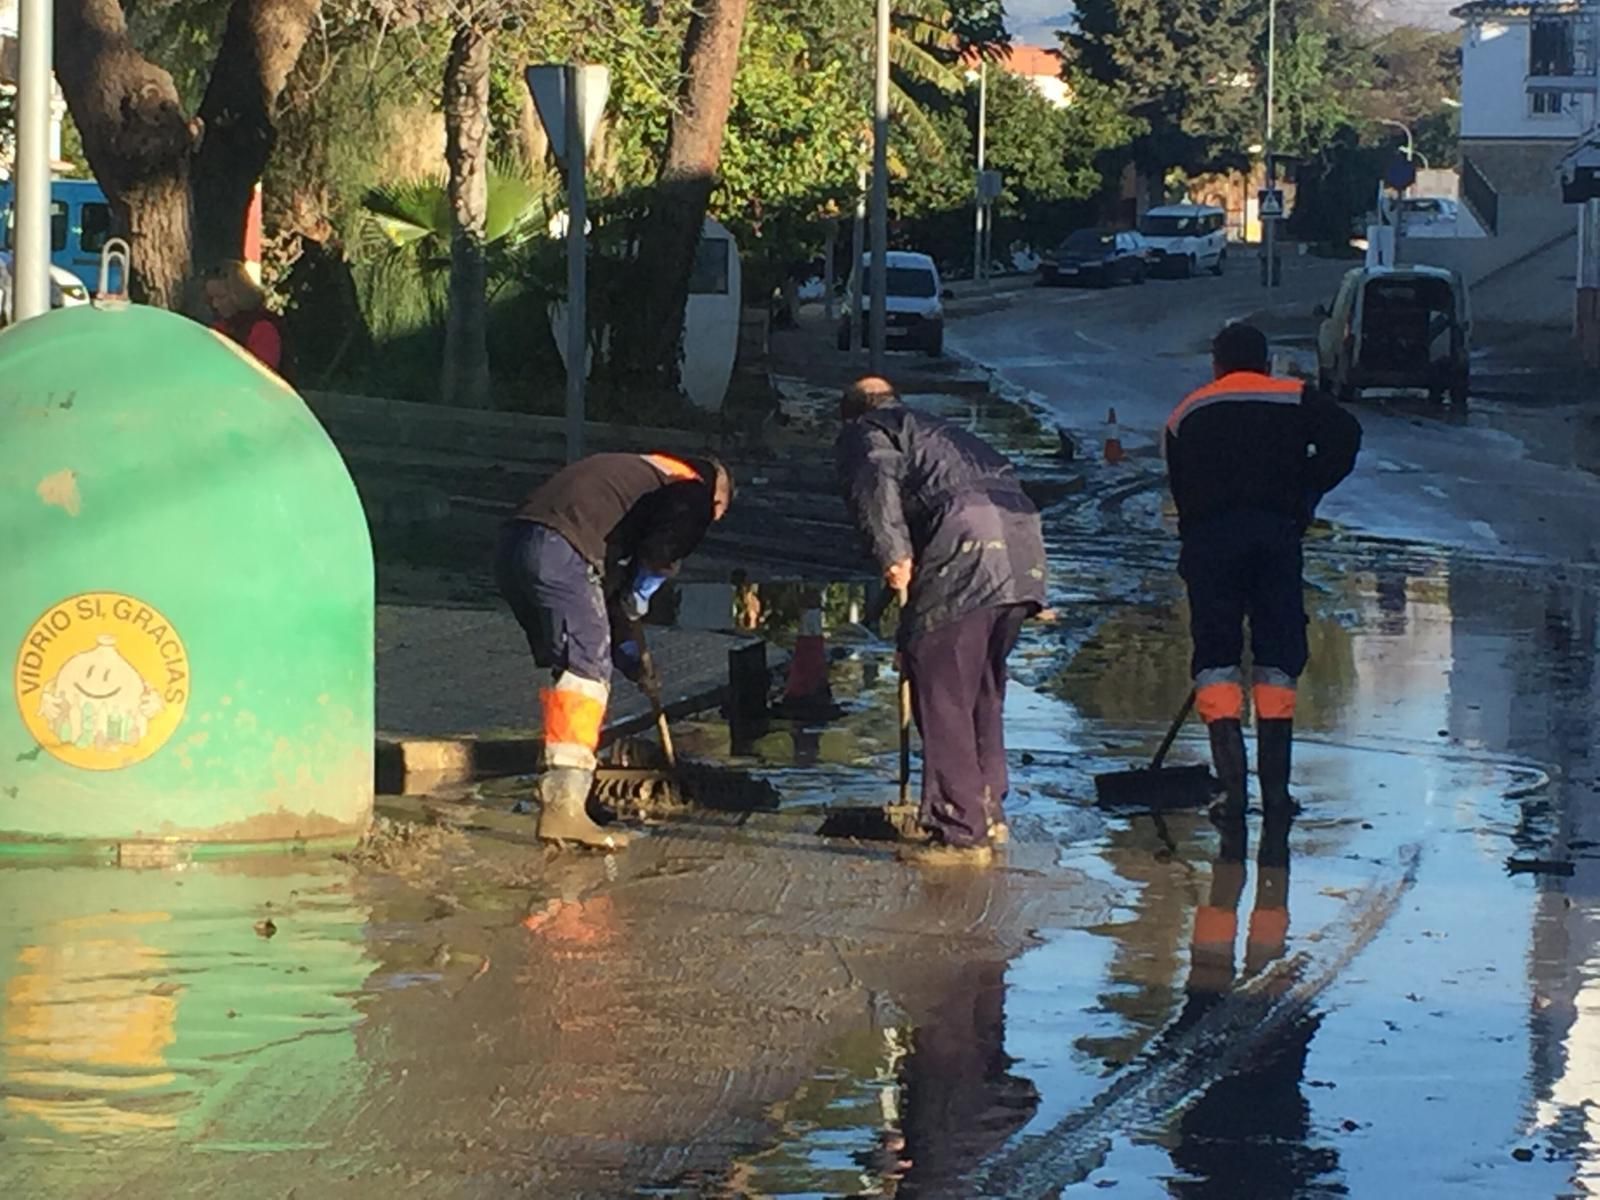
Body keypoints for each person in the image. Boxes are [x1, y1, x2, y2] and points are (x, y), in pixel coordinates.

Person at [837, 376, 1047, 866]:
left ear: (849, 414)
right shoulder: (938, 430)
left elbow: (873, 479)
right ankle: (988, 809)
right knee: (982, 688)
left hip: (968, 543)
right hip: (1021, 547)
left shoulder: (870, 430)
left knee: (942, 684)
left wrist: (893, 555)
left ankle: (959, 828)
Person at [1165, 323, 1361, 819]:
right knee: (1277, 657)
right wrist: (1306, 491)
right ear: (1267, 361)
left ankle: (1233, 793)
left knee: (1216, 659)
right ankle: (1276, 793)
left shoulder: (1187, 413)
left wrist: (1201, 541)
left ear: (1216, 364)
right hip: (1275, 536)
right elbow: (1346, 436)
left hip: (1212, 540)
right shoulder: (1294, 397)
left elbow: (1181, 490)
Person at [496, 452, 733, 849]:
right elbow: (663, 552)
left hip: (514, 547)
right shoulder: (692, 488)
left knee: (573, 665)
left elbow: (605, 602)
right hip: (561, 549)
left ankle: (569, 791)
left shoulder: (640, 481)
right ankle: (564, 807)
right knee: (586, 671)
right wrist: (642, 592)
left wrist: (632, 659)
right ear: (720, 498)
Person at [204, 260, 287, 377]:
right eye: (211, 298)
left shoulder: (263, 330)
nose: (215, 304)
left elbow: (261, 377)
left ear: (239, 295)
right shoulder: (222, 327)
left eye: (221, 297)